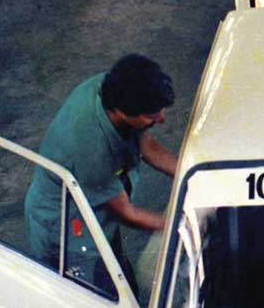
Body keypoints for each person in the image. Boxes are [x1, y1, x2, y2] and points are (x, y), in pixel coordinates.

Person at [24, 54, 177, 295]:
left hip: (97, 210)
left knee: (119, 278)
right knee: (96, 303)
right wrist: (179, 226)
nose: (161, 118)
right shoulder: (91, 148)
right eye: (151, 115)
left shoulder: (111, 86)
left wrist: (191, 172)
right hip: (69, 235)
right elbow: (127, 213)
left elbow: (145, 145)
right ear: (123, 113)